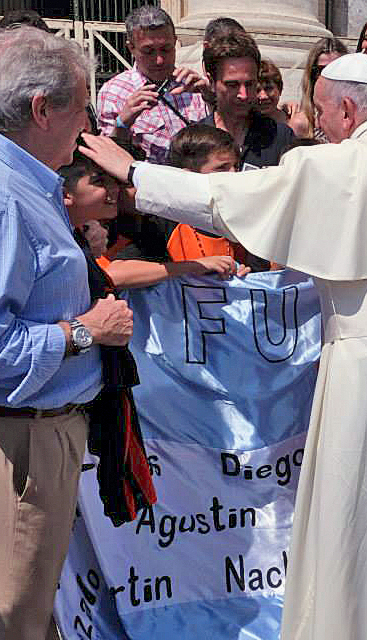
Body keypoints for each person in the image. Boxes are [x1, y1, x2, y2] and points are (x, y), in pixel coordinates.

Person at [81, 52, 367, 640]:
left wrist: (136, 173)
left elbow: (222, 200)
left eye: (323, 112)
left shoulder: (325, 167)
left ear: (346, 109)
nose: (320, 125)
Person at [0, 27, 133, 640]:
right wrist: (84, 332)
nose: (89, 122)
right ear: (42, 109)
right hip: (24, 444)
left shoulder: (32, 187)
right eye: (82, 104)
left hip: (45, 436)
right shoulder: (8, 199)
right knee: (17, 614)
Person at [60, 151, 247, 287]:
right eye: (100, 182)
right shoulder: (161, 224)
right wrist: (192, 267)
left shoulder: (242, 218)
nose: (115, 190)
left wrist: (235, 280)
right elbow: (114, 275)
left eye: (119, 183)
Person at [96, 5, 209, 163]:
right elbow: (108, 159)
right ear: (131, 48)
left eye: (166, 49)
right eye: (148, 51)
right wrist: (123, 124)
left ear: (175, 42)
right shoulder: (114, 92)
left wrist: (212, 98)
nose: (159, 60)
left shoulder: (193, 85)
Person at [164, 124, 264, 271]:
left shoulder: (246, 217)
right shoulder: (164, 220)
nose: (233, 174)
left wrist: (245, 274)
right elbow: (119, 272)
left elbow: (265, 273)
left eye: (235, 166)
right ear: (189, 175)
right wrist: (192, 267)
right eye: (222, 168)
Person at [199, 32, 294, 169]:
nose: (243, 95)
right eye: (232, 85)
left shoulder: (281, 137)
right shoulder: (193, 143)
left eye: (250, 84)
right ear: (212, 82)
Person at [288, 37, 348, 139]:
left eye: (336, 68)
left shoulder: (355, 119)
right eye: (321, 69)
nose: (329, 75)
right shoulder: (301, 123)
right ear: (312, 74)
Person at [257, 60, 289, 125]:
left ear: (279, 89)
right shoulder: (241, 124)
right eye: (257, 90)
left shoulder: (292, 122)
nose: (263, 96)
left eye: (268, 88)